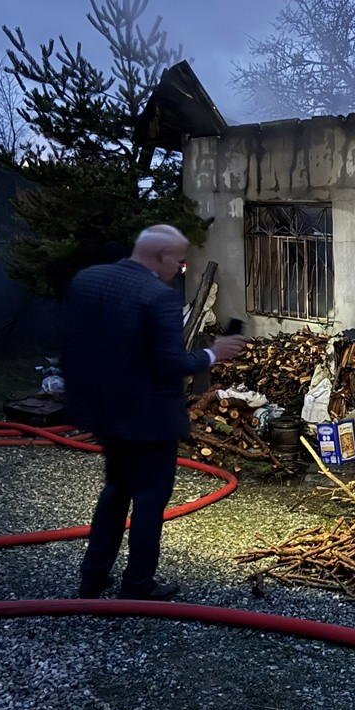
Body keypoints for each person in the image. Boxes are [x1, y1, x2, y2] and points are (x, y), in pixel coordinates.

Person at [64, 224, 248, 601]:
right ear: (162, 257)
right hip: (148, 419)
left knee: (115, 492)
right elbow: (168, 364)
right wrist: (215, 352)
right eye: (180, 263)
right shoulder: (157, 296)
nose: (179, 270)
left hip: (106, 412)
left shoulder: (88, 280)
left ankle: (93, 579)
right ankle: (137, 584)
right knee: (149, 502)